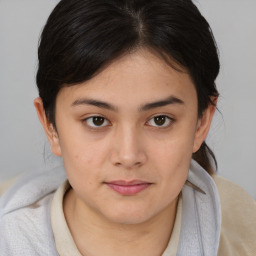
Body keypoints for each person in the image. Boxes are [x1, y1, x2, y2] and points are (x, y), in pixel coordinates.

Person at [0, 0, 255, 255]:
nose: (128, 156)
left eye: (160, 120)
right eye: (96, 120)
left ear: (201, 123)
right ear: (50, 125)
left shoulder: (245, 234)